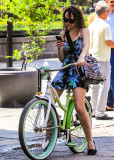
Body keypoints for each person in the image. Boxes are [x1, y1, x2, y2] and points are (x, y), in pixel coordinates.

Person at [52, 5, 97, 155]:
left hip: (78, 69)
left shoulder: (84, 31)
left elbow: (86, 47)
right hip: (66, 68)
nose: (68, 23)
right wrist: (59, 48)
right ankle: (47, 142)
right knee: (49, 102)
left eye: (70, 20)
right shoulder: (63, 33)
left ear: (77, 18)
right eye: (65, 20)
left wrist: (82, 57)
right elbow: (61, 59)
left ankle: (90, 141)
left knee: (79, 107)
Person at [88, 2, 114, 120]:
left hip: (92, 58)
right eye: (107, 11)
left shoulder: (91, 25)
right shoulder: (105, 26)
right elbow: (109, 42)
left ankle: (93, 111)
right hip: (103, 59)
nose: (108, 13)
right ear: (104, 12)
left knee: (95, 86)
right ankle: (100, 112)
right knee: (105, 85)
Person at [105, 0, 114, 111]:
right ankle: (109, 103)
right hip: (107, 48)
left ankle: (110, 103)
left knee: (112, 75)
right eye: (111, 0)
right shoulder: (103, 15)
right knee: (110, 75)